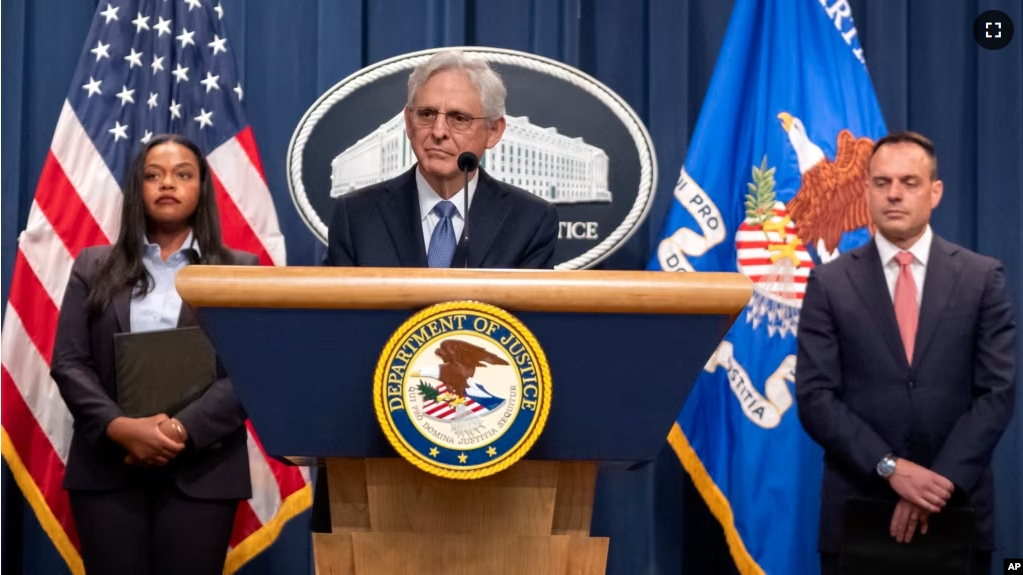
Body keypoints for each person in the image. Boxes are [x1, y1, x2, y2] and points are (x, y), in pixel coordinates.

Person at [795, 131, 1016, 575]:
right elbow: (816, 398)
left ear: (935, 192)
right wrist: (891, 469)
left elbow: (997, 393)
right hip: (858, 517)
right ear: (866, 191)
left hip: (957, 514)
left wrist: (935, 487)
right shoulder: (829, 283)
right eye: (882, 183)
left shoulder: (981, 278)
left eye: (909, 182)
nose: (894, 194)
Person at [50, 134, 258, 575]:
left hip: (204, 469)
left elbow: (251, 373)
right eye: (153, 175)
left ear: (201, 187)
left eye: (183, 174)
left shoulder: (240, 270)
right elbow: (70, 363)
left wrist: (181, 429)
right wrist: (120, 427)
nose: (168, 183)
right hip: (108, 468)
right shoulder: (93, 266)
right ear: (136, 189)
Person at [323, 49, 559, 269]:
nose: (438, 132)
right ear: (408, 121)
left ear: (493, 131)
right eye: (426, 114)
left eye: (459, 118)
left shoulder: (530, 221)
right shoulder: (356, 216)